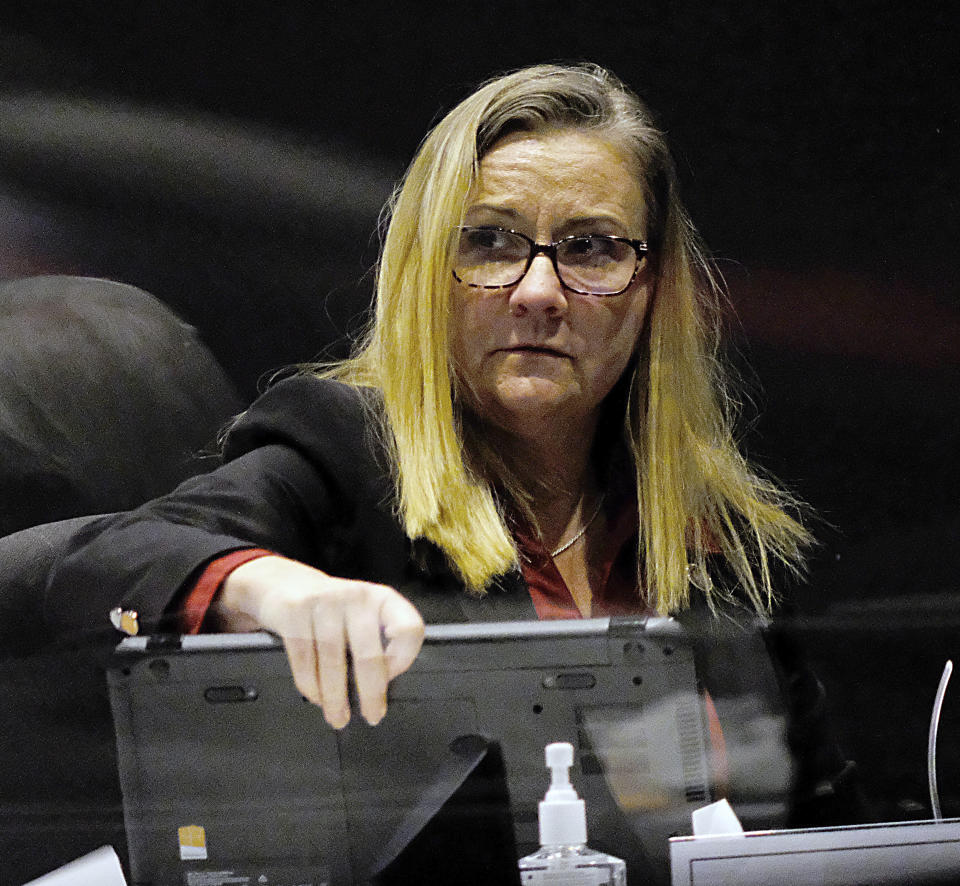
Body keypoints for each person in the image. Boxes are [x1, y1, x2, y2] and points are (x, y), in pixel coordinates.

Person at [48, 63, 811, 730]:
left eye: (591, 249)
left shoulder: (711, 534)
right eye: (489, 241)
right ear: (424, 273)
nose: (538, 292)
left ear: (653, 289)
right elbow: (88, 562)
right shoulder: (346, 450)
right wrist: (269, 587)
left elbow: (816, 815)